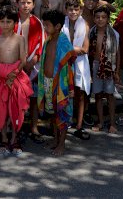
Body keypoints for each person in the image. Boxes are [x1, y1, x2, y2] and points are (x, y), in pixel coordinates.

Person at [0, 5, 32, 156]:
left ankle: (14, 138)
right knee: (2, 109)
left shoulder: (20, 39)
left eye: (9, 21)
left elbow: (23, 60)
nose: (5, 24)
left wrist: (13, 74)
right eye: (2, 21)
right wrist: (3, 76)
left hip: (16, 77)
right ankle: (4, 138)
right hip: (0, 79)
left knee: (16, 109)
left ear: (15, 22)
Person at [38, 9, 74, 156]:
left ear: (58, 26)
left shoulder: (64, 41)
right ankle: (55, 139)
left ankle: (61, 144)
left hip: (61, 84)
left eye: (47, 25)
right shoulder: (48, 39)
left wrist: (70, 87)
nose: (45, 28)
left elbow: (69, 66)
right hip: (47, 82)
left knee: (62, 114)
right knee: (53, 113)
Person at [15, 0, 46, 143]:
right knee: (16, 99)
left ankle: (34, 126)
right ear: (17, 4)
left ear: (34, 4)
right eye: (22, 2)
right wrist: (20, 63)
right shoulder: (12, 21)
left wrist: (32, 61)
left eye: (28, 2)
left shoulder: (38, 23)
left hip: (33, 65)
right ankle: (17, 126)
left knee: (34, 98)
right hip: (16, 64)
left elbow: (41, 45)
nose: (25, 5)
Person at [62, 0, 91, 141]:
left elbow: (85, 49)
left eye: (76, 9)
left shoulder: (84, 24)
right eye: (70, 9)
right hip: (64, 63)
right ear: (65, 10)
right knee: (65, 93)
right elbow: (58, 45)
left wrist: (68, 49)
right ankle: (64, 123)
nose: (73, 12)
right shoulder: (62, 25)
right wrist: (73, 50)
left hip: (80, 63)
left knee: (80, 94)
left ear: (80, 10)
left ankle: (79, 125)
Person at [89, 6, 120, 134]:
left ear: (108, 19)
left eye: (103, 17)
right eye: (97, 17)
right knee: (98, 95)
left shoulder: (114, 34)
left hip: (109, 66)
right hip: (95, 66)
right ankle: (100, 121)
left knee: (110, 95)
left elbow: (118, 54)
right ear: (94, 18)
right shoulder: (91, 32)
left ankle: (112, 123)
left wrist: (116, 71)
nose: (100, 19)